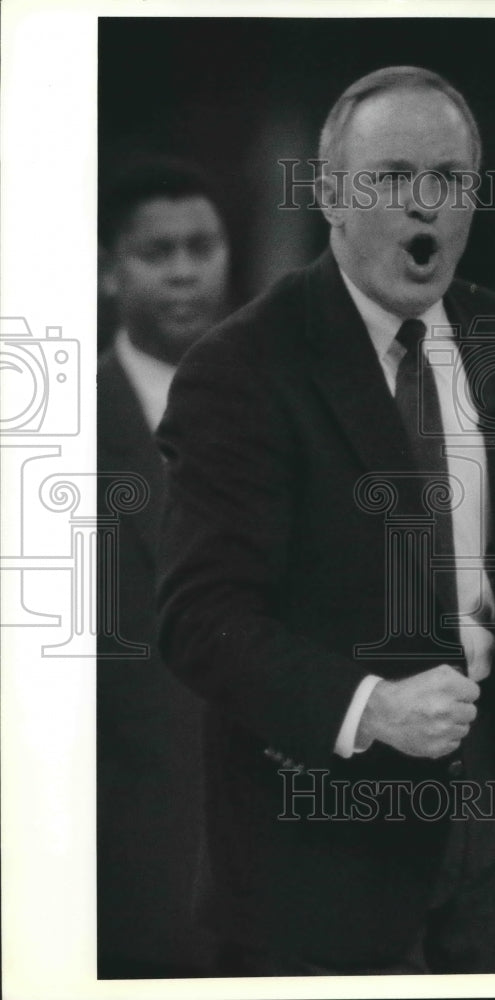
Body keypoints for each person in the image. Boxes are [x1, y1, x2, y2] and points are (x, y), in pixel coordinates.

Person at [156, 67, 495, 976]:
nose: (424, 206)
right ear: (328, 195)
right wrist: (370, 708)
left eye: (450, 179)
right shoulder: (240, 369)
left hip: (492, 834)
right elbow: (199, 621)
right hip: (318, 857)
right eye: (390, 178)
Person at [96, 157, 231, 977]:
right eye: (157, 252)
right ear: (110, 269)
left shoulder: (285, 406)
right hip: (133, 856)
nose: (184, 269)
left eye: (202, 245)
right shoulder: (53, 432)